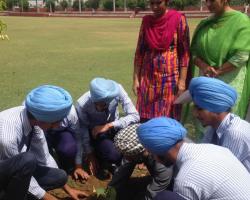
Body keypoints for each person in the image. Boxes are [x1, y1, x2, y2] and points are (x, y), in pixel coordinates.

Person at [0, 85, 88, 200]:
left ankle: (21, 193)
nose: (59, 125)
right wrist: (50, 198)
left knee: (60, 176)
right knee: (27, 160)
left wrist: (69, 191)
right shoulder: (8, 134)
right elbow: (19, 167)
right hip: (4, 170)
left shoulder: (35, 123)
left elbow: (45, 157)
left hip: (15, 169)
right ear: (42, 119)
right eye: (57, 121)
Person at [137, 117, 250, 200]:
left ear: (158, 151)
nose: (150, 156)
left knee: (164, 197)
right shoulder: (212, 148)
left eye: (150, 152)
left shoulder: (186, 179)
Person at [175, 76, 250, 172]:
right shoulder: (215, 127)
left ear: (216, 108)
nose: (194, 113)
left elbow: (222, 172)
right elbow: (203, 153)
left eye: (199, 108)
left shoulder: (234, 134)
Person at [191, 0, 250, 119]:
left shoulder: (241, 21)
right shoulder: (205, 23)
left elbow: (242, 55)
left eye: (212, 0)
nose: (208, 4)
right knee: (205, 119)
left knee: (225, 121)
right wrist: (204, 66)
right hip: (206, 77)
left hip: (229, 81)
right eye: (206, 0)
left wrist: (218, 72)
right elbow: (194, 52)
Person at [133, 0, 190, 122]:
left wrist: (182, 81)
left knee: (168, 120)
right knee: (146, 119)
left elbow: (184, 53)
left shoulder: (178, 19)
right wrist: (136, 78)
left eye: (158, 3)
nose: (154, 7)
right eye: (151, 3)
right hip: (148, 80)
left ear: (166, 1)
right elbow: (140, 51)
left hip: (170, 81)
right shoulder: (147, 22)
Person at [74, 77, 140, 179]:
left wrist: (109, 125)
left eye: (104, 104)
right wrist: (90, 154)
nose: (101, 107)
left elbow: (135, 116)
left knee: (135, 137)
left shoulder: (118, 90)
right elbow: (83, 130)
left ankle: (117, 162)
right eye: (97, 104)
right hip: (96, 134)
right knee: (113, 154)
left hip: (115, 126)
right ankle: (105, 158)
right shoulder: (81, 104)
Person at [109, 124, 173, 200]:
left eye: (129, 156)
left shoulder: (163, 161)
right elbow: (122, 170)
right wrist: (110, 190)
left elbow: (153, 192)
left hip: (175, 182)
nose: (126, 158)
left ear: (139, 152)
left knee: (166, 193)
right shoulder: (136, 149)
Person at [45, 105, 78, 174]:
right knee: (42, 150)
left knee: (69, 148)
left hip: (61, 132)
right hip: (42, 132)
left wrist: (78, 165)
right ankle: (47, 169)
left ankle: (66, 165)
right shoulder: (36, 111)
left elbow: (78, 137)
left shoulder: (71, 113)